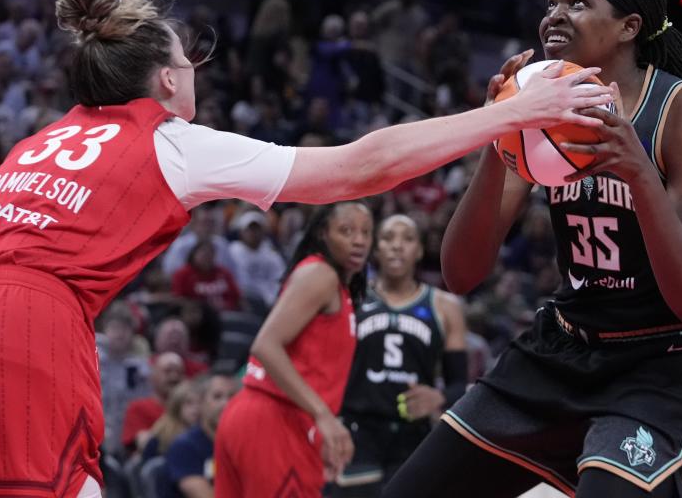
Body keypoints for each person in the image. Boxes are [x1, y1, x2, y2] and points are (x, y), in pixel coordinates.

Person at [0, 0, 610, 498]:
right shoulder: (170, 140)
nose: (197, 74)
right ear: (166, 80)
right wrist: (512, 114)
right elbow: (362, 165)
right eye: (190, 63)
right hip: (15, 330)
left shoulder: (38, 142)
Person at [382, 0, 682, 498]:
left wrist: (639, 173)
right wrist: (501, 136)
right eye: (550, 3)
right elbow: (460, 273)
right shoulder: (542, 104)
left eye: (577, 2)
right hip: (569, 343)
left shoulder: (679, 111)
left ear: (628, 28)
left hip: (666, 358)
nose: (554, 15)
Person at [214, 202, 374, 497]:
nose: (359, 240)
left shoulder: (334, 286)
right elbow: (266, 344)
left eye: (366, 232)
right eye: (346, 230)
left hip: (259, 416)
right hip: (274, 420)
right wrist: (323, 416)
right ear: (323, 233)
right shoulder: (321, 274)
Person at [336, 214, 467, 497]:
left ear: (419, 250)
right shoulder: (350, 299)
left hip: (413, 435)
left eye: (407, 239)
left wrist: (439, 396)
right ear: (375, 248)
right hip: (357, 431)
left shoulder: (445, 306)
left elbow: (461, 385)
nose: (397, 246)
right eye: (387, 238)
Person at [161, 373, 239, 498]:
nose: (226, 403)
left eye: (232, 397)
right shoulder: (184, 447)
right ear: (201, 402)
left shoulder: (239, 444)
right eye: (217, 397)